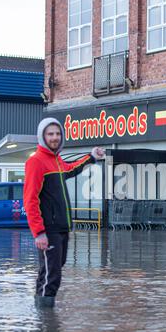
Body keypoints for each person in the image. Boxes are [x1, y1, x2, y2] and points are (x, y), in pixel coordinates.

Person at [24, 117, 105, 308]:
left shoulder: (57, 160)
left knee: (52, 269)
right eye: (50, 134)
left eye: (58, 133)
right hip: (48, 229)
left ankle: (41, 318)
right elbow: (30, 200)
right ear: (42, 136)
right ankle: (46, 324)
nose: (55, 137)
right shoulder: (36, 161)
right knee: (53, 275)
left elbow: (71, 169)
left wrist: (91, 156)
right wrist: (39, 233)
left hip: (61, 227)